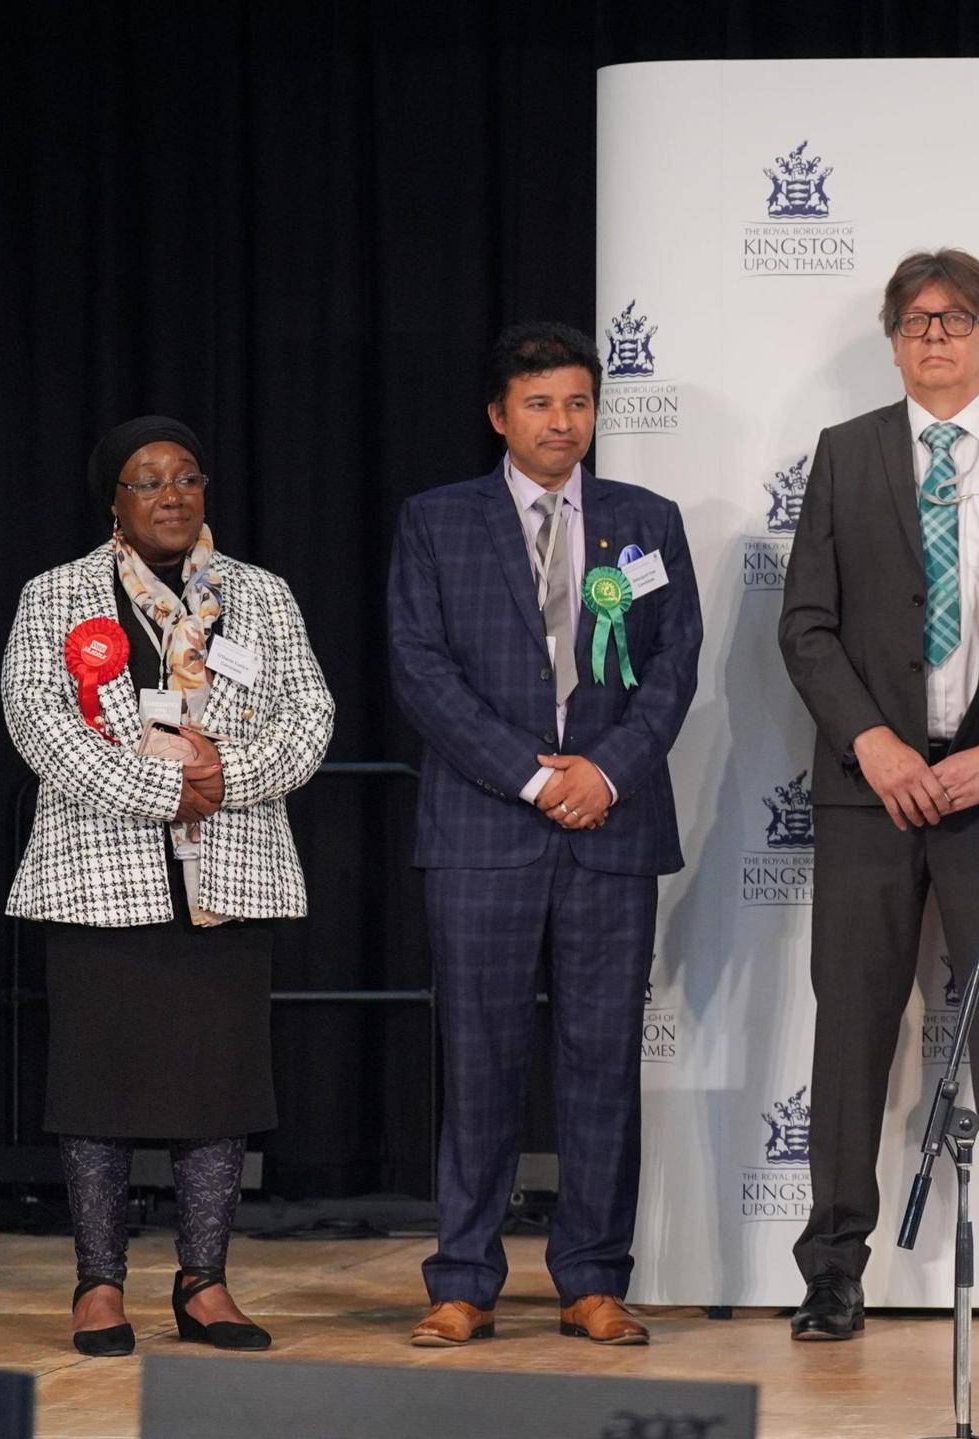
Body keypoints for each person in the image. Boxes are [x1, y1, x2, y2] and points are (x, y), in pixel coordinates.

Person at [778, 250, 979, 1341]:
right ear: (893, 339)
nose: (935, 337)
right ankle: (831, 1268)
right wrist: (874, 745)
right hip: (874, 793)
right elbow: (806, 623)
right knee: (851, 1033)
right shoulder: (847, 452)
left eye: (957, 320)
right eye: (913, 322)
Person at [387, 323, 701, 1347]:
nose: (561, 422)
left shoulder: (643, 522)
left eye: (577, 402)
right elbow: (420, 669)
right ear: (498, 415)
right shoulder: (436, 522)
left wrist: (604, 771)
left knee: (602, 1060)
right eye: (539, 404)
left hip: (611, 826)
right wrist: (532, 776)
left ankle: (593, 1278)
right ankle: (465, 1278)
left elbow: (674, 666)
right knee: (476, 1059)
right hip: (484, 828)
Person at [3, 416, 334, 1355]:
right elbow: (38, 722)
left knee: (218, 1088)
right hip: (99, 875)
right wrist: (164, 786)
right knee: (96, 1087)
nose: (173, 495)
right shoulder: (57, 595)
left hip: (228, 866)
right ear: (114, 499)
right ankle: (98, 1285)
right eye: (148, 481)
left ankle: (205, 1282)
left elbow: (311, 716)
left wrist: (228, 775)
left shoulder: (260, 596)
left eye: (187, 477)